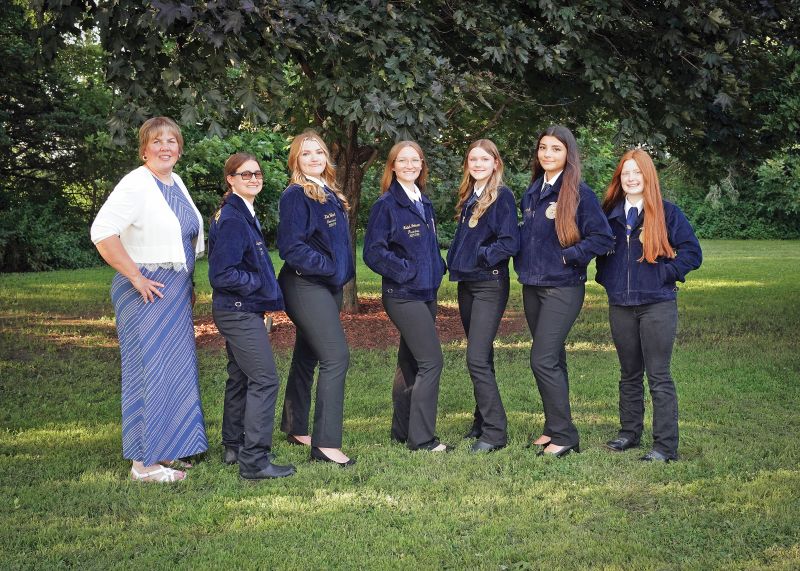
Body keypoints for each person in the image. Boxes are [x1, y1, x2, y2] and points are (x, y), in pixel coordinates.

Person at [90, 116, 208, 482]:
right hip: (146, 292)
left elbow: (184, 239)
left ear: (180, 149)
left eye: (172, 141)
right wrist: (136, 276)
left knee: (173, 371)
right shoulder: (136, 184)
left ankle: (163, 451)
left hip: (172, 291)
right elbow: (102, 232)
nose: (165, 147)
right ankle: (143, 465)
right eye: (157, 141)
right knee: (150, 371)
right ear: (144, 149)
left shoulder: (175, 183)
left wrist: (187, 286)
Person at [596, 149, 702, 462]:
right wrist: (610, 280)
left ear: (647, 177)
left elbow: (692, 254)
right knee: (629, 373)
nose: (630, 178)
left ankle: (665, 446)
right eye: (625, 173)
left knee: (658, 375)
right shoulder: (609, 214)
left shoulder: (667, 213)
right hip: (621, 304)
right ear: (620, 178)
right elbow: (600, 251)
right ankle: (629, 433)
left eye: (636, 173)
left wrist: (663, 274)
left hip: (657, 304)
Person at [514, 125, 614, 458]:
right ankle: (553, 426)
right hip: (532, 286)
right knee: (553, 358)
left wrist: (568, 256)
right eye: (543, 148)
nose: (547, 154)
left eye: (556, 149)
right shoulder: (532, 192)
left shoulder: (578, 193)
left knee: (541, 359)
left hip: (563, 287)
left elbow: (602, 238)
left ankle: (566, 435)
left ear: (567, 154)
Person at [207, 153, 296, 479]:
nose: (254, 179)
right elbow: (221, 274)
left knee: (241, 376)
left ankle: (234, 445)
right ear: (230, 179)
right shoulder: (233, 219)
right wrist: (257, 284)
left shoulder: (239, 212)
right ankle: (255, 460)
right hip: (238, 311)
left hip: (238, 309)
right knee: (265, 379)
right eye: (245, 175)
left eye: (257, 174)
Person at [363, 141, 449, 452]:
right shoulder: (386, 205)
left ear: (422, 165)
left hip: (427, 293)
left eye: (415, 160)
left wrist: (436, 268)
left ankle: (402, 431)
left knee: (410, 362)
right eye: (403, 160)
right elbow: (373, 252)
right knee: (432, 361)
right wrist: (406, 271)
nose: (410, 165)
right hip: (403, 294)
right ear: (393, 166)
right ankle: (423, 439)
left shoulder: (423, 202)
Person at [277, 130, 356, 467]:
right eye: (306, 153)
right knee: (336, 357)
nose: (313, 158)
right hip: (305, 285)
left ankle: (295, 426)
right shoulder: (296, 196)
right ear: (296, 159)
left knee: (307, 354)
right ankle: (325, 444)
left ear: (326, 157)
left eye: (319, 152)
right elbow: (291, 247)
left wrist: (340, 272)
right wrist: (328, 268)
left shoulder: (329, 193)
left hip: (328, 286)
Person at [446, 140, 520, 453]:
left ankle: (494, 433)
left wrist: (480, 256)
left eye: (484, 159)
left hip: (489, 283)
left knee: (475, 357)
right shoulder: (469, 196)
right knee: (483, 355)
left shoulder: (501, 196)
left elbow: (509, 242)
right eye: (473, 159)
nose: (477, 163)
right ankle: (480, 421)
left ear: (495, 163)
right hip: (468, 284)